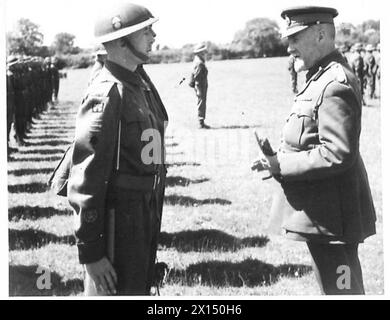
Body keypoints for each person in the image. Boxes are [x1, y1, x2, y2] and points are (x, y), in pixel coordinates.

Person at [251, 6, 376, 295]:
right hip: (325, 212)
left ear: (321, 34)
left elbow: (337, 153)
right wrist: (275, 159)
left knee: (342, 290)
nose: (289, 46)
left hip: (333, 218)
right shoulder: (320, 76)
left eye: (295, 38)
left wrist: (280, 164)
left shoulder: (334, 83)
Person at [67, 2, 168, 296]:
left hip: (141, 217)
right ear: (122, 40)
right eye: (146, 30)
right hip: (117, 226)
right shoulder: (107, 92)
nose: (153, 35)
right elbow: (87, 180)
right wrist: (92, 253)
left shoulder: (138, 86)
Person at [189, 43, 209, 128]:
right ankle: (201, 122)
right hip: (200, 85)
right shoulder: (199, 62)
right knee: (201, 102)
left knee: (201, 102)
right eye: (203, 52)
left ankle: (201, 121)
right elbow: (197, 75)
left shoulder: (197, 60)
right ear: (200, 52)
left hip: (199, 84)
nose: (205, 53)